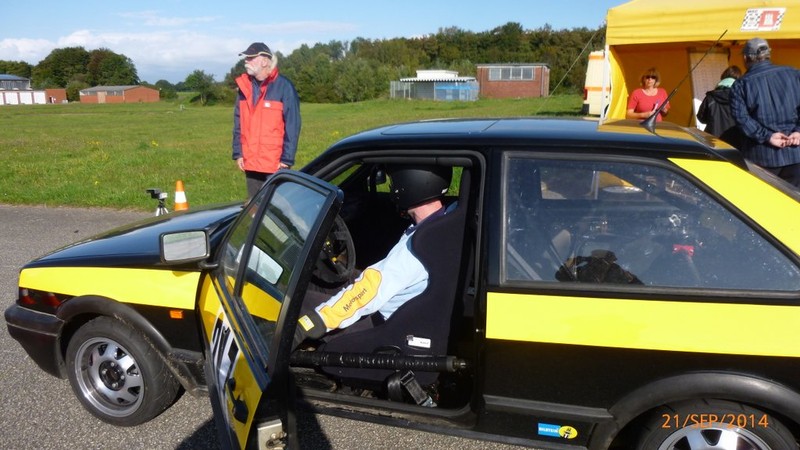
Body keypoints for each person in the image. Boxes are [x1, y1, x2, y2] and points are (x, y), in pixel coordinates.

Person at [294, 165, 453, 345]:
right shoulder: (447, 220)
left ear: (410, 184)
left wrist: (314, 322)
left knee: (297, 301)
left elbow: (369, 290)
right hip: (404, 311)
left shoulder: (416, 250)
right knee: (325, 281)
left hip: (381, 325)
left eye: (394, 181)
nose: (392, 187)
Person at [232, 42, 301, 199]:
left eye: (251, 58)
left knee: (277, 206)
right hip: (250, 161)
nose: (246, 61)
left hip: (275, 163)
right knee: (254, 205)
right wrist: (239, 153)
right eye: (246, 58)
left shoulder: (284, 87)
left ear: (264, 61)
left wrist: (286, 159)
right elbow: (238, 123)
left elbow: (293, 125)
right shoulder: (244, 88)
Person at [730, 37, 800, 187]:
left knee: (764, 200)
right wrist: (798, 131)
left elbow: (741, 118)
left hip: (761, 157)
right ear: (768, 54)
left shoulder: (740, 85)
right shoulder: (794, 74)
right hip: (795, 154)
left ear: (745, 58)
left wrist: (767, 136)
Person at [697, 65, 744, 149]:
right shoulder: (742, 98)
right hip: (736, 144)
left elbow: (701, 118)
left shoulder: (710, 97)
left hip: (713, 143)